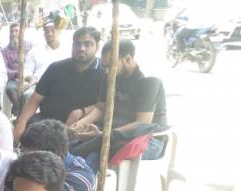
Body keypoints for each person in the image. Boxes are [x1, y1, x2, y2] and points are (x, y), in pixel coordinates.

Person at [68, 39, 168, 170]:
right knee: (73, 143)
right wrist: (80, 124)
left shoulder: (149, 82)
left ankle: (81, 184)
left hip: (148, 139)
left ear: (128, 59)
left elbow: (143, 123)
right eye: (105, 67)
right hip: (112, 133)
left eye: (111, 65)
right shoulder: (109, 78)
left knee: (95, 154)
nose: (107, 71)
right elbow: (100, 108)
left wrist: (103, 135)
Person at [14, 27, 104, 142]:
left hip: (81, 127)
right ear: (72, 46)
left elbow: (104, 106)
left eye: (87, 44)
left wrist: (82, 112)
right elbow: (35, 99)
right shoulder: (56, 68)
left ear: (97, 47)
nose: (81, 48)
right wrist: (21, 123)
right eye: (77, 44)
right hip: (48, 123)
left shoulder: (105, 72)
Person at [23, 19, 68, 97]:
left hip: (63, 87)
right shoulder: (35, 51)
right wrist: (31, 79)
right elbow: (27, 70)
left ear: (59, 32)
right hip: (39, 86)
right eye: (47, 31)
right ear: (44, 34)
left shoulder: (68, 51)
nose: (49, 34)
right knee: (27, 95)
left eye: (53, 31)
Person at [2, 24, 33, 117]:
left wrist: (28, 77)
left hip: (29, 78)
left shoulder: (30, 47)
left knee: (27, 94)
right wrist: (16, 74)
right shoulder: (4, 50)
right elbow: (4, 69)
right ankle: (19, 111)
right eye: (11, 31)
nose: (14, 34)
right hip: (13, 78)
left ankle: (21, 114)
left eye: (16, 31)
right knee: (10, 89)